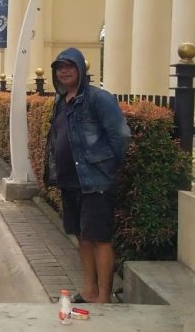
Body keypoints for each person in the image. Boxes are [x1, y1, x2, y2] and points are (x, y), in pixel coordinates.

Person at [44, 47, 130, 304]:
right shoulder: (61, 101)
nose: (64, 71)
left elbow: (120, 135)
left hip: (95, 182)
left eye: (70, 66)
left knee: (99, 239)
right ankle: (89, 290)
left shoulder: (98, 99)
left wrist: (107, 165)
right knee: (81, 237)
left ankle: (103, 297)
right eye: (60, 68)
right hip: (70, 182)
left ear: (81, 69)